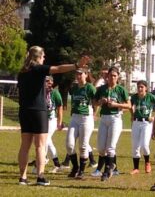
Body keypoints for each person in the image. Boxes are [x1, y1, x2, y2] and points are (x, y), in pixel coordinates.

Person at [17, 45, 89, 186]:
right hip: (39, 111)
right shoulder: (38, 69)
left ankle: (23, 178)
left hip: (24, 111)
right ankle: (40, 177)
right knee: (40, 145)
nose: (44, 59)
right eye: (43, 56)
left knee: (25, 146)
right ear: (37, 57)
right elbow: (58, 69)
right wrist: (76, 65)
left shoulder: (22, 72)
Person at [94, 67, 130, 181]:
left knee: (110, 147)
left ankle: (107, 170)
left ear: (118, 77)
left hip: (115, 118)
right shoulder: (102, 89)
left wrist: (115, 105)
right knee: (100, 148)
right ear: (107, 76)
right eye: (110, 75)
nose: (112, 78)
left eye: (115, 76)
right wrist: (100, 102)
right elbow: (94, 102)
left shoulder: (121, 89)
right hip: (104, 118)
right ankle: (111, 165)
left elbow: (129, 105)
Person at [66, 68, 97, 179]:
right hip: (74, 117)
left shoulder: (90, 87)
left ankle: (81, 171)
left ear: (86, 74)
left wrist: (94, 114)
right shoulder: (74, 87)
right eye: (77, 74)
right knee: (69, 145)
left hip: (85, 118)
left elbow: (95, 102)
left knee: (83, 146)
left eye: (81, 74)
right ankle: (75, 167)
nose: (78, 76)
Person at [130, 80, 155, 175]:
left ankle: (147, 163)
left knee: (145, 145)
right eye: (138, 87)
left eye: (142, 87)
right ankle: (136, 168)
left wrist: (153, 116)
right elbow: (130, 105)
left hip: (146, 123)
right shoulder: (134, 97)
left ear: (146, 88)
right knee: (135, 146)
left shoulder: (151, 97)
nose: (140, 89)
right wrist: (132, 114)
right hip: (136, 122)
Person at [45, 76, 63, 173]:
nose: (49, 83)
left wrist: (59, 122)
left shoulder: (55, 93)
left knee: (46, 139)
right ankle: (57, 164)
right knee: (47, 141)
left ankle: (42, 161)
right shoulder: (41, 92)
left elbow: (60, 108)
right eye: (47, 81)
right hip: (42, 120)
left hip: (51, 120)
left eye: (50, 81)